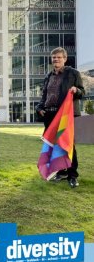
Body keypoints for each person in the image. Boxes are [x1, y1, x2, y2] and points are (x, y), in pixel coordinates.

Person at [36, 47, 85, 188]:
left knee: (67, 144)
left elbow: (82, 92)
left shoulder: (73, 73)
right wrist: (39, 108)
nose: (56, 60)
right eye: (53, 57)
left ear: (65, 58)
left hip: (65, 115)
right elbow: (44, 96)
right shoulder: (48, 76)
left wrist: (76, 90)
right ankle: (60, 171)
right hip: (50, 115)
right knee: (53, 144)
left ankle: (72, 175)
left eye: (58, 57)